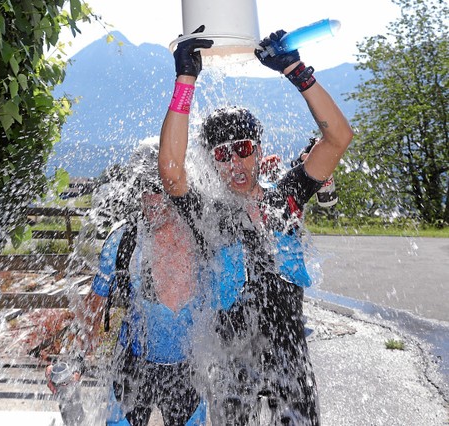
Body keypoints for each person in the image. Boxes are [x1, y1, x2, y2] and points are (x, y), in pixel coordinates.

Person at [159, 26, 354, 425]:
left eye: (244, 150)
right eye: (223, 154)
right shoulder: (208, 215)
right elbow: (172, 172)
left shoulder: (286, 198)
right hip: (231, 363)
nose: (236, 165)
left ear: (258, 148)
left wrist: (296, 70)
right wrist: (185, 81)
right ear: (212, 161)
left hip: (289, 355)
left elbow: (338, 139)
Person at [47, 139, 207, 426]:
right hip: (133, 366)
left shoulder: (200, 240)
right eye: (142, 187)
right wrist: (75, 359)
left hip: (187, 370)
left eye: (159, 188)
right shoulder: (122, 242)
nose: (150, 197)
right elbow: (92, 314)